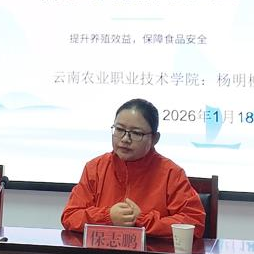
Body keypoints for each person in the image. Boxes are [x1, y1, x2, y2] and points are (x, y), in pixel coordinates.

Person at [61, 98, 206, 238]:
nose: (125, 139)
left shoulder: (171, 173)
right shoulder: (95, 168)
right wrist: (107, 217)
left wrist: (142, 221)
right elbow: (70, 216)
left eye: (136, 133)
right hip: (101, 253)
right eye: (119, 129)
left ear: (155, 139)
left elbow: (194, 222)